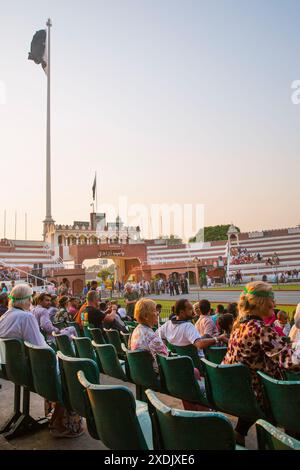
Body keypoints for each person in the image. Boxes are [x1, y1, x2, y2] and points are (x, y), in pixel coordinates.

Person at [0, 284, 83, 438]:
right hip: (27, 372)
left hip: (10, 370)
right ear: (27, 300)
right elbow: (40, 347)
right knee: (69, 375)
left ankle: (55, 417)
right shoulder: (26, 317)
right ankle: (61, 423)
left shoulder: (5, 316)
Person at [223, 281, 300, 446]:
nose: (275, 303)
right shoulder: (261, 329)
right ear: (260, 302)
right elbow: (292, 363)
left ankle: (240, 433)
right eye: (273, 298)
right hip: (263, 395)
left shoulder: (238, 326)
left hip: (243, 390)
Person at [158, 299, 226, 357]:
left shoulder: (167, 324)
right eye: (190, 309)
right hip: (197, 364)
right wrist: (218, 338)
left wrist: (166, 349)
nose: (193, 312)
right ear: (182, 312)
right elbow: (199, 344)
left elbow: (158, 336)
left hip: (179, 362)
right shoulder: (187, 326)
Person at [129, 298, 168, 371]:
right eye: (155, 310)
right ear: (145, 316)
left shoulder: (136, 330)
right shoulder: (152, 337)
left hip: (142, 373)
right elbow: (166, 360)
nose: (158, 313)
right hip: (155, 375)